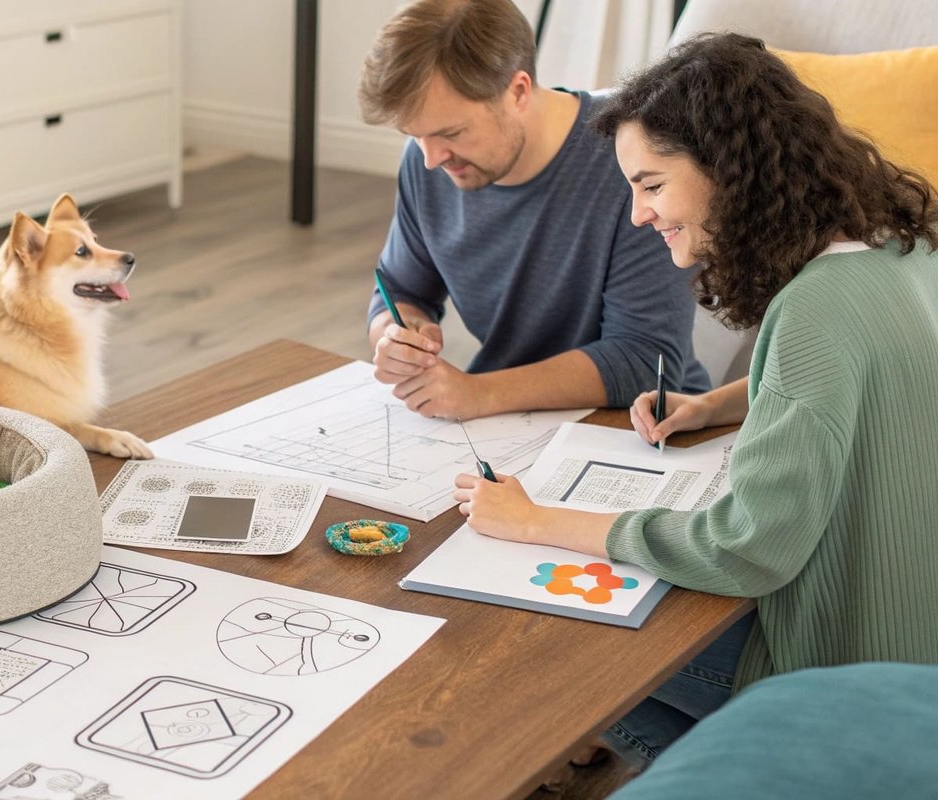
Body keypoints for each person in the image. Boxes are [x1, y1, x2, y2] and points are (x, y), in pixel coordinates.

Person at [452, 32, 938, 771]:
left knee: (571, 644)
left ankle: (760, 770)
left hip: (839, 661)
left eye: (651, 185)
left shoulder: (815, 311)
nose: (639, 214)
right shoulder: (902, 247)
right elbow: (880, 374)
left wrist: (538, 520)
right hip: (916, 635)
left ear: (729, 170)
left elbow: (748, 547)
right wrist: (724, 402)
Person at [358, 0, 708, 420]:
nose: (432, 158)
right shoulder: (428, 160)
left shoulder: (634, 161)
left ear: (518, 91)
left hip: (639, 424)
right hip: (505, 422)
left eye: (451, 133)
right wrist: (396, 335)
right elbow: (399, 289)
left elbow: (644, 361)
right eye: (414, 136)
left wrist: (482, 393)